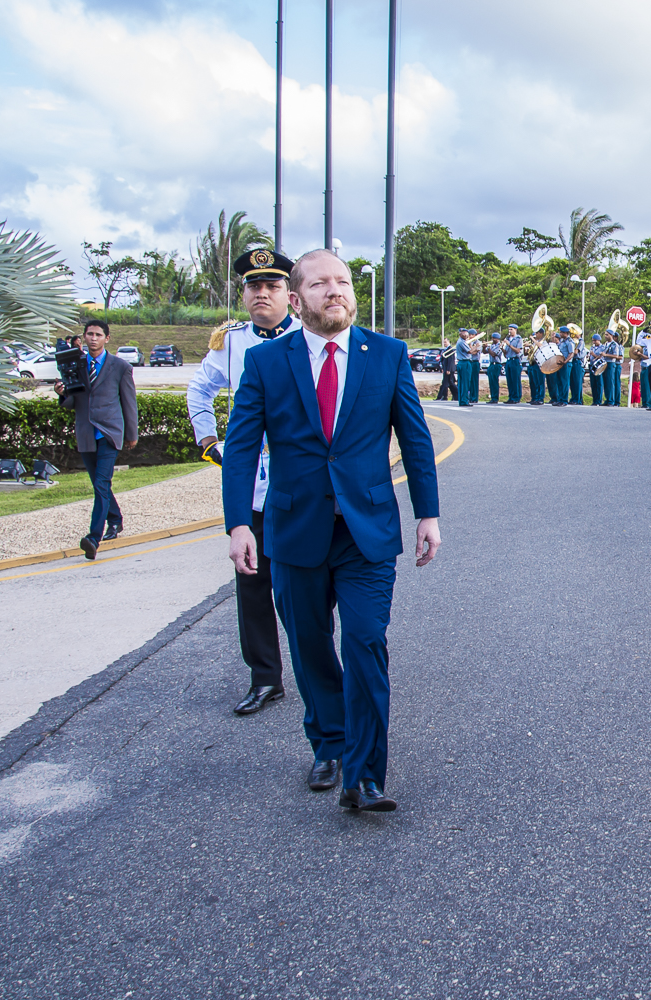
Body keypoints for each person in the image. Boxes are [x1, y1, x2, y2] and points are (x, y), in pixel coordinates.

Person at [222, 248, 440, 813]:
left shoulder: (386, 355)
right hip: (294, 531)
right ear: (298, 299)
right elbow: (242, 447)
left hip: (366, 532)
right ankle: (329, 741)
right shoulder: (268, 363)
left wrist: (428, 514)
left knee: (366, 642)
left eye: (342, 281)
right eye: (320, 284)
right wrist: (239, 524)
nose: (334, 290)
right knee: (311, 646)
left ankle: (365, 775)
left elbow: (415, 440)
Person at [188, 247, 299, 716]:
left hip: (299, 484)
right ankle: (265, 678)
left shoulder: (312, 334)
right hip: (254, 483)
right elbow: (200, 388)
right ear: (244, 293)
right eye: (254, 287)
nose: (262, 294)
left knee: (303, 588)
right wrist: (208, 438)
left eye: (272, 286)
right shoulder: (231, 344)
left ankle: (318, 670)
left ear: (289, 295)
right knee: (252, 583)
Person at [56, 318, 136, 560]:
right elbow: (73, 402)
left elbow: (129, 402)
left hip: (109, 433)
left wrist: (131, 434)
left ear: (106, 338)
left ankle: (93, 538)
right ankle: (115, 519)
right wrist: (62, 394)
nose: (93, 338)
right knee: (99, 484)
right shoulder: (76, 364)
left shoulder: (120, 366)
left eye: (98, 334)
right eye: (89, 334)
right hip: (86, 432)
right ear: (83, 337)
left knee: (101, 483)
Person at [504, 324, 524, 403]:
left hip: (515, 360)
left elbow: (517, 350)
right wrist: (502, 348)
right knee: (509, 380)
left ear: (515, 330)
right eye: (509, 329)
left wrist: (509, 344)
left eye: (511, 329)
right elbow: (506, 352)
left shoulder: (518, 339)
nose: (509, 331)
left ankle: (516, 397)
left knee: (515, 380)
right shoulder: (508, 339)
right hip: (508, 360)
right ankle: (511, 397)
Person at [603, 331, 623, 406]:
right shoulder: (606, 344)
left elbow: (616, 355)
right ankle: (608, 399)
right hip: (605, 363)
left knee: (611, 382)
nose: (605, 336)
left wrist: (605, 354)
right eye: (605, 335)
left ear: (611, 335)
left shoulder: (615, 345)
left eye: (607, 335)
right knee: (606, 382)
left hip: (611, 363)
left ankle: (611, 400)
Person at [435, 336, 458, 402]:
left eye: (446, 342)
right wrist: (442, 368)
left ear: (449, 342)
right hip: (445, 368)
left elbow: (451, 361)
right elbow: (443, 360)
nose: (444, 343)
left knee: (448, 383)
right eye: (444, 342)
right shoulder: (444, 350)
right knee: (449, 383)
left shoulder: (450, 349)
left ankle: (444, 396)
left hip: (449, 369)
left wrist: (448, 369)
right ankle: (454, 396)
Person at [485, 332, 505, 403]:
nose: (492, 339)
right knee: (491, 382)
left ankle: (495, 398)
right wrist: (485, 347)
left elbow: (494, 354)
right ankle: (492, 397)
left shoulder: (499, 345)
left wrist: (488, 348)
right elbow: (484, 352)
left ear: (497, 339)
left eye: (494, 338)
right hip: (491, 364)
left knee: (495, 381)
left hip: (496, 364)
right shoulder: (492, 345)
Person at [588, 334, 606, 404]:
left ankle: (599, 400)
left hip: (599, 366)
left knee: (599, 384)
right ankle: (594, 400)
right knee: (593, 384)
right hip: (592, 366)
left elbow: (601, 357)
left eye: (595, 341)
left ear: (599, 340)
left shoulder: (602, 347)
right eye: (593, 341)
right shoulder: (592, 347)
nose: (594, 342)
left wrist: (594, 355)